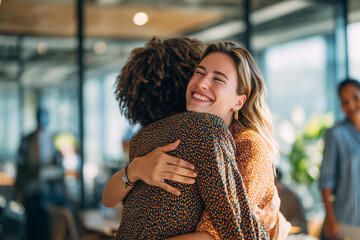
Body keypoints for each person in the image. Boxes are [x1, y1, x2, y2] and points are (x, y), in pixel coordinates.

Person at [103, 40, 290, 239]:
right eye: (199, 73)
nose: (201, 83)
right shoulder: (181, 134)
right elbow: (108, 199)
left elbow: (215, 234)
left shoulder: (248, 145)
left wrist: (274, 225)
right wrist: (135, 169)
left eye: (218, 79)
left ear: (239, 101)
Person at [319, 78, 360, 240]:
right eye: (345, 102)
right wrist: (330, 218)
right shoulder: (335, 134)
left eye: (355, 98)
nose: (351, 105)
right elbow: (326, 182)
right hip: (347, 223)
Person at [15, 109, 64, 240]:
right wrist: (19, 189)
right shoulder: (28, 139)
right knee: (32, 227)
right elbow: (20, 166)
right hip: (32, 189)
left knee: (48, 227)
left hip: (49, 190)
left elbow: (58, 165)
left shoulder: (53, 139)